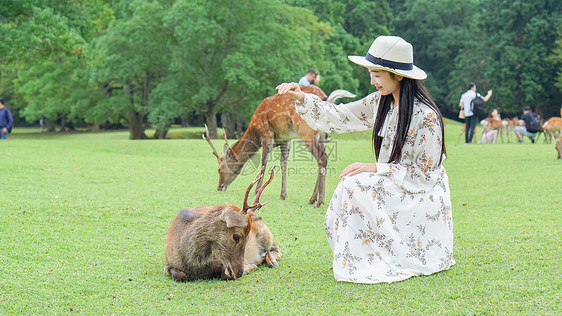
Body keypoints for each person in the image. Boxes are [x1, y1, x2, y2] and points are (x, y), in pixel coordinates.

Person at [277, 35, 454, 284]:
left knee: (356, 183)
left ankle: (379, 255)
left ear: (399, 75)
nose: (372, 82)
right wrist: (303, 97)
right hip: (394, 183)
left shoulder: (427, 116)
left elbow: (425, 175)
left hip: (420, 193)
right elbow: (339, 116)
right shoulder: (379, 103)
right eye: (371, 74)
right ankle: (360, 256)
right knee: (350, 183)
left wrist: (375, 168)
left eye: (377, 75)